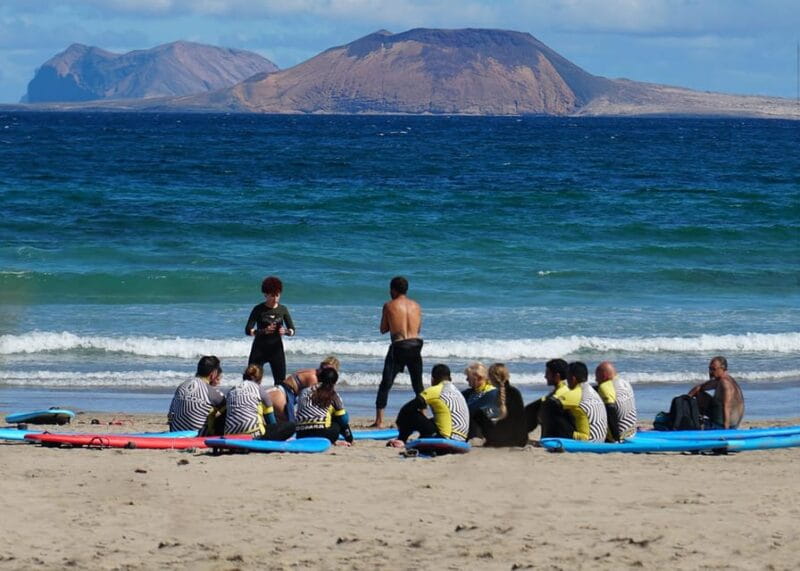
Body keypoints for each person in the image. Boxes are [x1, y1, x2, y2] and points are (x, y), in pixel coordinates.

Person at [372, 276, 423, 428]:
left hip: (399, 346)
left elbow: (383, 329)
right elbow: (418, 329)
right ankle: (423, 413)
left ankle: (379, 420)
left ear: (393, 290)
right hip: (415, 345)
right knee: (417, 384)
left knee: (386, 383)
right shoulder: (416, 306)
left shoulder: (389, 305)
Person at [388, 364, 469, 446]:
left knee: (409, 413)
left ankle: (401, 440)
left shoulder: (436, 390)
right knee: (433, 420)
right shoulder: (457, 392)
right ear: (450, 378)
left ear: (433, 379)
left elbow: (408, 408)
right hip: (461, 439)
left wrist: (400, 424)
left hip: (445, 438)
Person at [245, 275, 296, 385]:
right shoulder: (258, 309)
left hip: (276, 350)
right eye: (272, 295)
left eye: (277, 295)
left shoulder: (283, 309)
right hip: (259, 349)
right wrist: (263, 331)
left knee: (280, 382)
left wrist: (286, 331)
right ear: (265, 294)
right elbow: (248, 330)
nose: (275, 298)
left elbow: (292, 330)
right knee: (250, 381)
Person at [223, 364, 295, 440]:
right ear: (260, 379)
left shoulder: (231, 391)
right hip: (253, 435)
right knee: (291, 426)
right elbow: (272, 422)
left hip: (230, 434)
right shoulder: (260, 391)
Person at [469, 363, 528, 447]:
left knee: (479, 414)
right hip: (521, 439)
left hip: (505, 440)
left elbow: (496, 417)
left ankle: (484, 439)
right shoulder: (515, 391)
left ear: (492, 377)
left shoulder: (497, 393)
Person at [270, 356, 341, 423]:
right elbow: (309, 401)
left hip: (281, 391)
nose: (322, 370)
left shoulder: (312, 372)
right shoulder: (313, 378)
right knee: (291, 424)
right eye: (322, 367)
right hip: (285, 394)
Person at [295, 367, 354, 445]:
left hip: (301, 434)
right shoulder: (333, 395)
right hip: (323, 434)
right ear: (335, 382)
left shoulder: (304, 391)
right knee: (339, 418)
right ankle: (350, 439)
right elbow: (343, 419)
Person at [168, 355, 226, 432]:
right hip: (196, 436)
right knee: (227, 410)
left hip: (175, 432)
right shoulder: (210, 391)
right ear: (214, 374)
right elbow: (230, 408)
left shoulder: (182, 386)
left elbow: (171, 414)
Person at [553, 361, 608, 442]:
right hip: (600, 440)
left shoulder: (577, 393)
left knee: (552, 414)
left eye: (567, 378)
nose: (566, 381)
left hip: (588, 441)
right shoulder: (591, 391)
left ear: (573, 378)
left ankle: (545, 440)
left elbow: (549, 405)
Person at [688, 356, 744, 429]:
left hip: (725, 426)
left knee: (689, 425)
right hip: (732, 423)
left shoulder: (725, 383)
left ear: (722, 368)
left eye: (713, 369)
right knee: (699, 394)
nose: (710, 372)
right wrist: (686, 399)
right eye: (710, 369)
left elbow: (727, 406)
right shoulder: (724, 379)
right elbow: (699, 388)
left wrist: (726, 430)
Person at [524, 358, 574, 438]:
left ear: (557, 376)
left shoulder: (558, 395)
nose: (545, 376)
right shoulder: (564, 390)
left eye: (548, 373)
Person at [595, 361, 638, 442]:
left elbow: (611, 409)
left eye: (597, 377)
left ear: (604, 376)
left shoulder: (604, 387)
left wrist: (616, 438)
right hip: (631, 433)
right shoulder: (625, 383)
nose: (596, 380)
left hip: (619, 437)